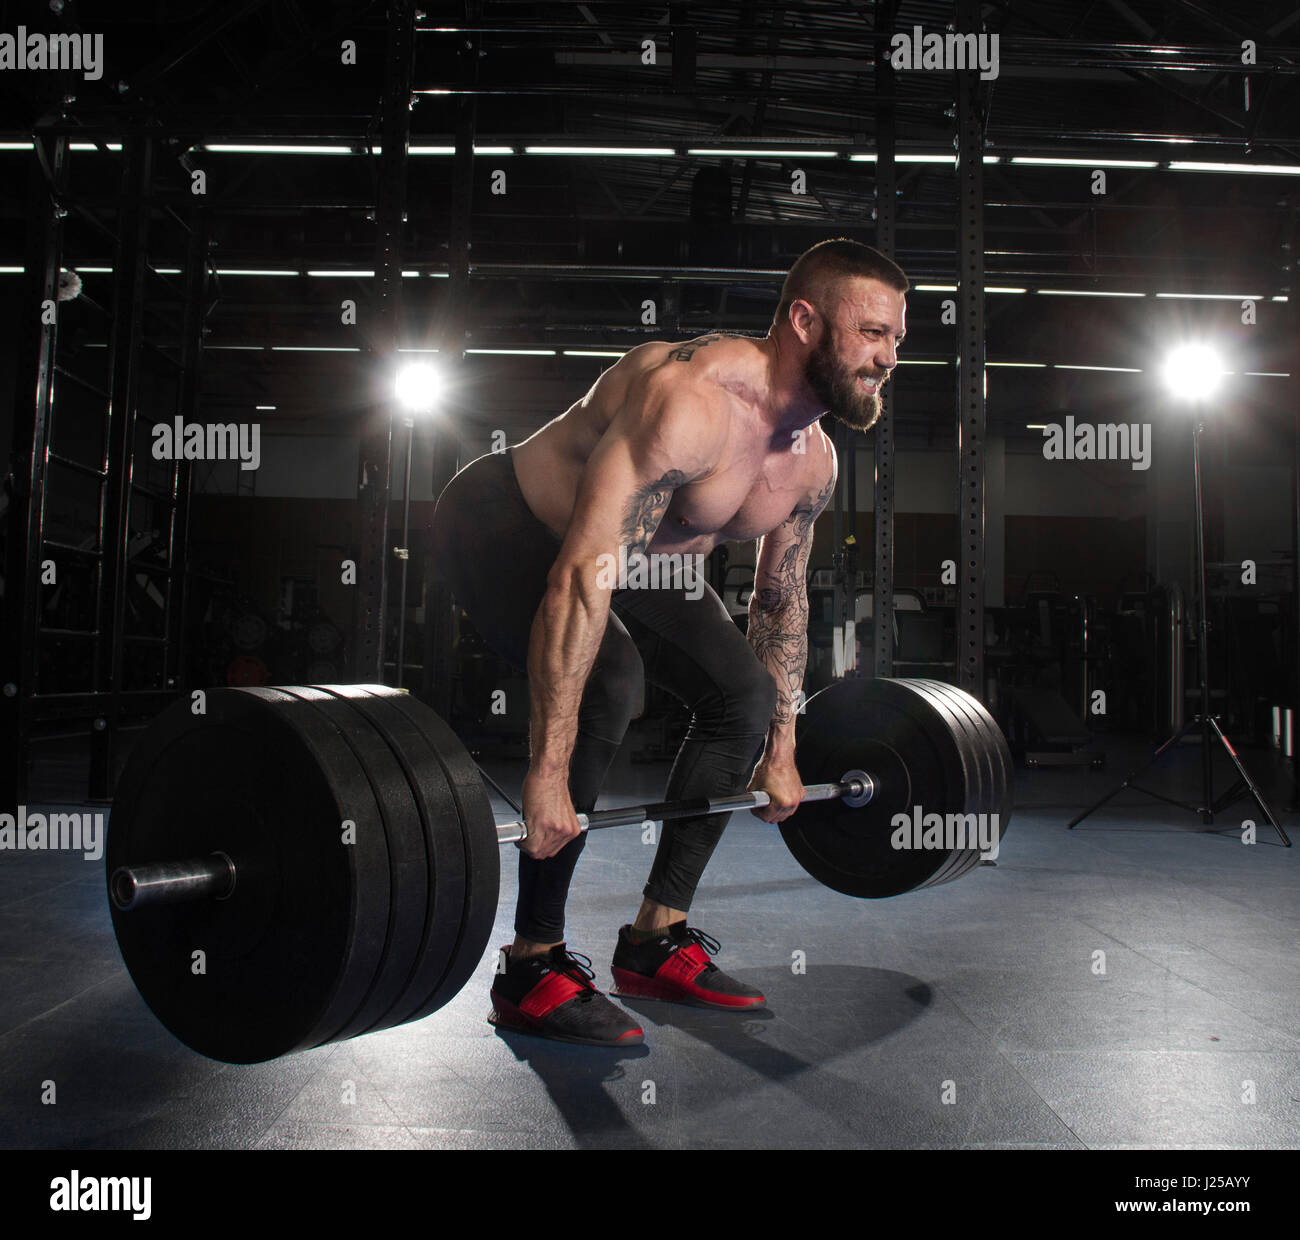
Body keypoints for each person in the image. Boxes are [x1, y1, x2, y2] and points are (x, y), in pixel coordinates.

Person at [430, 238, 908, 1046]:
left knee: (744, 694)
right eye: (870, 333)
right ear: (803, 320)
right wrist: (546, 777)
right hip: (507, 520)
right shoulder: (691, 401)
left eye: (897, 339)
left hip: (633, 558)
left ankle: (655, 939)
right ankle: (531, 963)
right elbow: (583, 574)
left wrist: (783, 748)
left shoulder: (812, 463)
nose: (886, 358)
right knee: (613, 679)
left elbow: (780, 603)